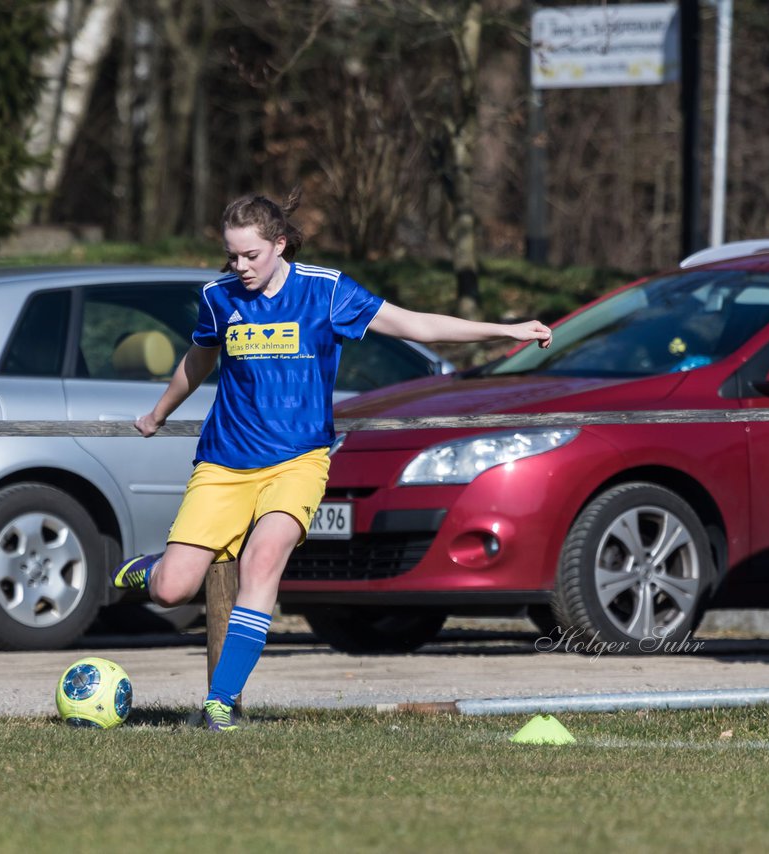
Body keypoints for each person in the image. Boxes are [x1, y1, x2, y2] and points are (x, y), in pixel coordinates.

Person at [113, 190, 552, 731]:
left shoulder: (325, 292)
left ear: (279, 245)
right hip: (225, 462)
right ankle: (150, 571)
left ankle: (219, 707)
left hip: (298, 461)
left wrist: (504, 331)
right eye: (231, 255)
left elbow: (414, 325)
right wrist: (158, 412)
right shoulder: (218, 296)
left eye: (250, 255)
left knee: (262, 562)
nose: (239, 266)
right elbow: (199, 359)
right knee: (172, 589)